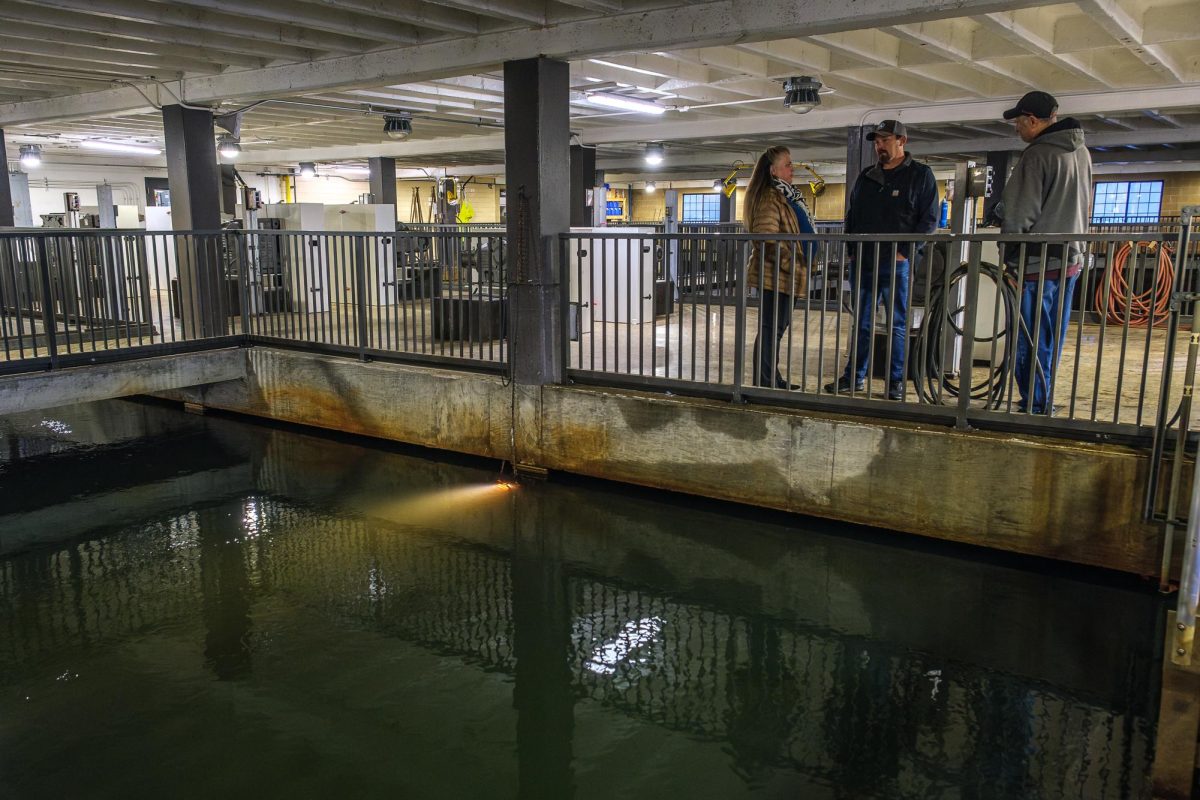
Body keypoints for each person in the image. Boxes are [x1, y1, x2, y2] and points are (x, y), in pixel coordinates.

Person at [826, 120, 938, 401]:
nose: (879, 147)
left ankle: (895, 382)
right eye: (877, 142)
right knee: (861, 323)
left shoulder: (920, 175)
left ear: (902, 141)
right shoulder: (867, 177)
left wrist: (905, 253)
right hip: (864, 262)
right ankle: (855, 376)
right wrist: (851, 250)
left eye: (885, 141)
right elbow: (852, 215)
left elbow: (929, 220)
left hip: (897, 264)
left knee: (897, 325)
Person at [996, 90, 1092, 415]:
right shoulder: (1082, 153)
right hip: (1070, 261)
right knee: (1051, 339)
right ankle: (1043, 399)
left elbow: (1018, 214)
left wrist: (1009, 261)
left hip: (1035, 264)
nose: (1016, 129)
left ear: (1033, 121)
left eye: (1019, 123)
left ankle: (1035, 404)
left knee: (1029, 339)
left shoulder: (1036, 156)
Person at [743, 145, 817, 389]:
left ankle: (771, 379)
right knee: (770, 329)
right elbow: (766, 239)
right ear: (774, 171)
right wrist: (793, 263)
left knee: (775, 329)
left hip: (787, 275)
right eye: (787, 165)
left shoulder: (786, 194)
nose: (792, 169)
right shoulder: (770, 197)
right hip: (775, 275)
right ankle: (765, 382)